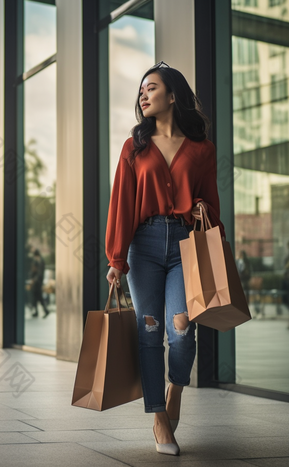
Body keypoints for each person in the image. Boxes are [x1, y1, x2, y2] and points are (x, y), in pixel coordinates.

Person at [104, 61, 225, 456]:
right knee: (150, 331)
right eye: (140, 90)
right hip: (144, 246)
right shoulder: (134, 147)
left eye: (151, 87)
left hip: (184, 247)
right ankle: (159, 417)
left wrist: (207, 225)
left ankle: (176, 387)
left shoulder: (201, 149)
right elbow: (121, 204)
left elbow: (212, 203)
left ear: (172, 95)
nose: (143, 94)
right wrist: (116, 259)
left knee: (181, 330)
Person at [29, 249, 49, 318]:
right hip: (37, 282)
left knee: (39, 297)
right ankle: (38, 311)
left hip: (38, 282)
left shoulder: (41, 261)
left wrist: (34, 280)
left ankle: (45, 311)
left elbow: (40, 273)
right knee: (36, 297)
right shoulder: (37, 261)